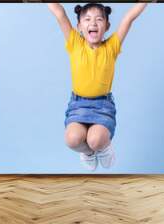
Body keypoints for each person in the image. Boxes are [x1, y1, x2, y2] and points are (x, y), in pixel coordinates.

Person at [48, 3, 148, 170]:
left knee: (95, 141)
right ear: (79, 26)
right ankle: (88, 153)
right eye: (87, 19)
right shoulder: (75, 43)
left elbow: (129, 18)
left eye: (99, 19)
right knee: (72, 139)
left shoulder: (112, 47)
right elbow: (59, 13)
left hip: (103, 106)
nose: (93, 23)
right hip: (78, 105)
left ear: (107, 25)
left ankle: (103, 149)